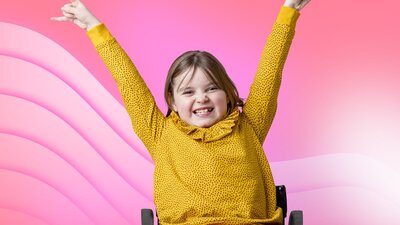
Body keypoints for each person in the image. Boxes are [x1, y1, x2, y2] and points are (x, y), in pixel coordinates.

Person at [52, 0, 311, 224]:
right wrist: (93, 27)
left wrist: (288, 12)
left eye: (212, 88)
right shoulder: (161, 133)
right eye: (189, 92)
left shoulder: (249, 126)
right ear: (173, 101)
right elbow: (128, 82)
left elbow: (270, 72)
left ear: (228, 94)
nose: (202, 98)